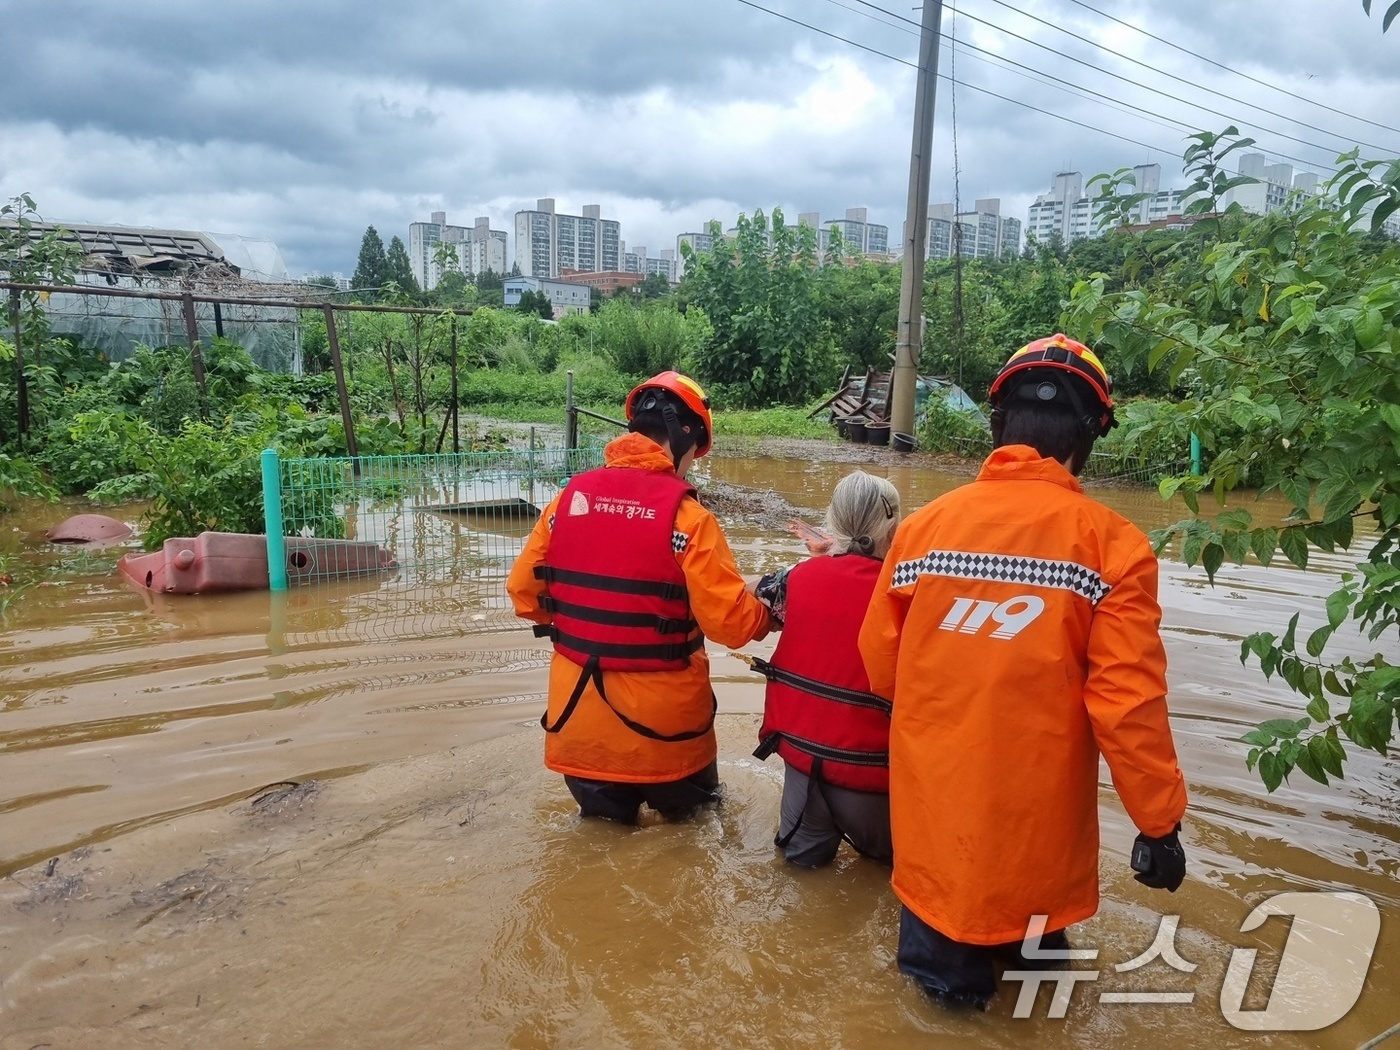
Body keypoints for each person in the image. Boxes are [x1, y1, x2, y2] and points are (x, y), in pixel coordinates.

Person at [858, 334, 1189, 1009]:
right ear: (1093, 432)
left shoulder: (923, 530)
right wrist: (1158, 823)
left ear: (997, 424)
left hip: (936, 838)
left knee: (941, 1013)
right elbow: (1127, 708)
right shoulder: (1114, 548)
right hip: (1037, 847)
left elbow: (880, 663)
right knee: (1045, 1005)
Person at [508, 370, 773, 825]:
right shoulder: (688, 520)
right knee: (693, 843)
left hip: (579, 723)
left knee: (600, 844)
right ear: (686, 439)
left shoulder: (566, 504)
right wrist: (770, 604)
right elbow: (733, 626)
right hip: (667, 737)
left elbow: (523, 595)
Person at [750, 470, 902, 868]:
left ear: (833, 523)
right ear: (895, 528)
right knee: (885, 880)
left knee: (799, 878)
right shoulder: (908, 594)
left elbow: (756, 597)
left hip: (804, 771)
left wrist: (823, 563)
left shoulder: (793, 579)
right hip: (874, 783)